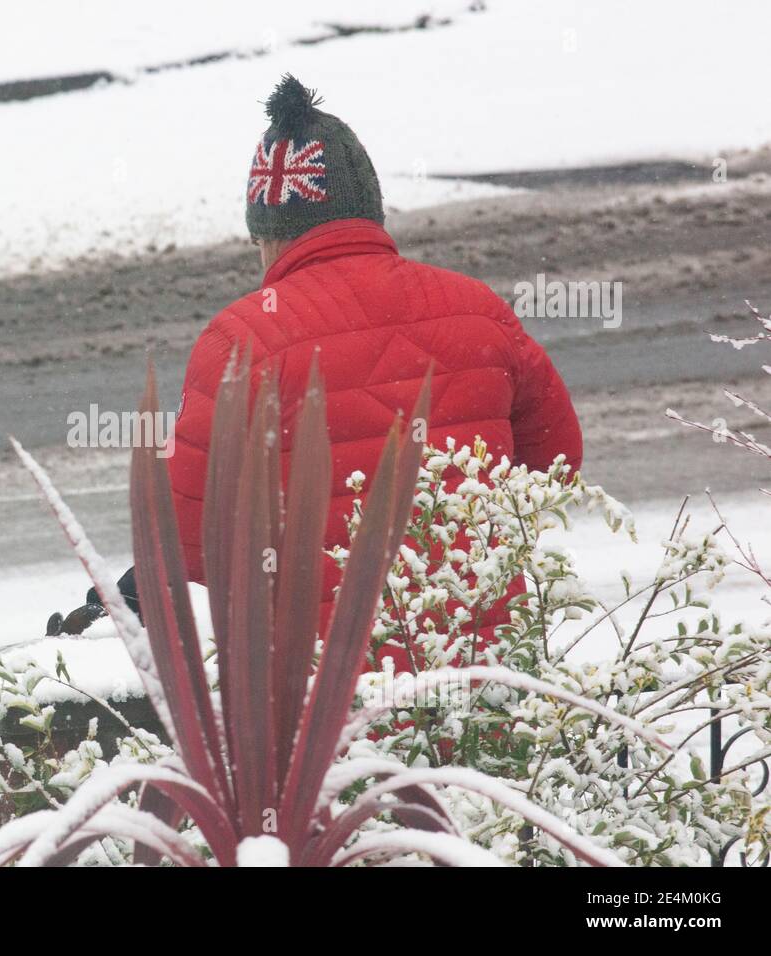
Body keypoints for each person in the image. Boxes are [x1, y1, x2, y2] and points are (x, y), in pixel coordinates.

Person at [158, 74, 583, 670]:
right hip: (492, 683)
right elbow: (554, 465)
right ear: (370, 213)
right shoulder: (479, 309)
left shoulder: (242, 341)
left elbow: (185, 540)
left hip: (332, 700)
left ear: (266, 235)